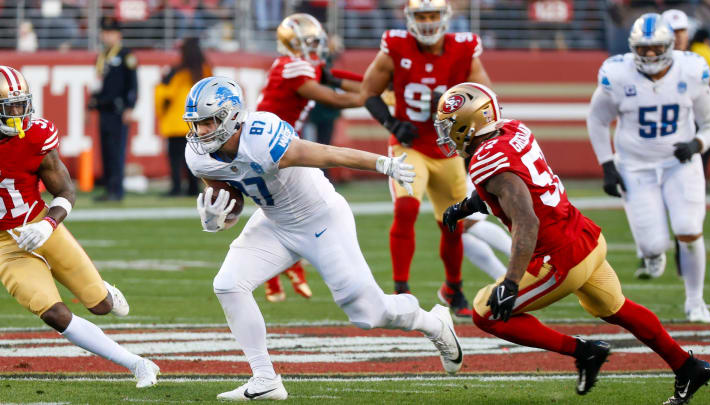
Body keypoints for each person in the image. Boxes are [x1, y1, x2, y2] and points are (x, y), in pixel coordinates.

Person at [183, 76, 462, 400]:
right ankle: (265, 379)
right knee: (228, 284)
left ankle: (433, 322)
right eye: (196, 123)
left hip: (320, 219)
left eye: (207, 122)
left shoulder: (261, 137)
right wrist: (218, 218)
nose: (201, 131)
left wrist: (382, 163)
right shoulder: (198, 155)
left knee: (368, 315)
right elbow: (232, 196)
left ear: (231, 116)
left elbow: (328, 154)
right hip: (274, 223)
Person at [438, 82, 710, 405]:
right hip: (585, 236)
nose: (446, 134)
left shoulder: (487, 161)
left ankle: (584, 352)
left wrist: (511, 282)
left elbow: (526, 217)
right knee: (617, 308)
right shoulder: (514, 129)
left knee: (485, 313)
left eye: (449, 126)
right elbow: (514, 186)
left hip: (559, 256)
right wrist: (467, 206)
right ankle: (687, 365)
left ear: (469, 124)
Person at [0, 65, 159, 388]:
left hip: (41, 225)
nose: (18, 114)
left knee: (100, 306)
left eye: (21, 104)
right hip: (5, 244)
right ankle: (139, 364)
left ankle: (106, 293)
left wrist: (47, 225)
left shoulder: (36, 135)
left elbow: (66, 191)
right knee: (54, 314)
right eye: (10, 107)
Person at [360, 0, 492, 317]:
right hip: (410, 145)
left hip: (447, 149)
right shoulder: (395, 45)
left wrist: (454, 101)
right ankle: (401, 290)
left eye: (434, 15)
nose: (429, 22)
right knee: (406, 208)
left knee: (453, 224)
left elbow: (485, 95)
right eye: (422, 16)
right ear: (410, 18)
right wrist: (391, 123)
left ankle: (453, 288)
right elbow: (368, 92)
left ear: (445, 18)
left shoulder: (464, 48)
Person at [586, 14, 710, 323]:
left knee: (688, 229)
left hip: (680, 164)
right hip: (635, 166)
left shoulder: (691, 70)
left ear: (669, 46)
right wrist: (607, 164)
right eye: (642, 48)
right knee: (652, 244)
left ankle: (695, 301)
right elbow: (597, 119)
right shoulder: (617, 74)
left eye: (655, 47)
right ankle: (653, 254)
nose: (648, 55)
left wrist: (696, 144)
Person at [256, 13, 363, 303]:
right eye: (310, 42)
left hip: (281, 140)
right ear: (293, 43)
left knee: (280, 206)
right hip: (269, 145)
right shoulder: (293, 66)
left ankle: (282, 271)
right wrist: (371, 97)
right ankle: (287, 266)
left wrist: (374, 86)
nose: (315, 47)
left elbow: (335, 78)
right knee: (304, 205)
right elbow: (333, 96)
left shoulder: (299, 64)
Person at [88, 17, 138, 202]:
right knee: (106, 150)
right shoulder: (102, 56)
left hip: (118, 110)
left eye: (110, 32)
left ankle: (117, 190)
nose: (106, 36)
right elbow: (98, 84)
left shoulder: (126, 55)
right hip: (103, 109)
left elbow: (133, 84)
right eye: (104, 32)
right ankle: (109, 188)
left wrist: (130, 107)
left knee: (117, 150)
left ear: (118, 35)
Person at [155, 37, 210, 197]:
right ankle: (194, 188)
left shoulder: (176, 72)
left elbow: (166, 95)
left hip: (176, 122)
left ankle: (176, 187)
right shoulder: (205, 71)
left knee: (175, 159)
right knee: (194, 158)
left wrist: (162, 111)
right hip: (196, 122)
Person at [690, 27, 710, 183]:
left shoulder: (692, 55)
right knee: (705, 145)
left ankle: (695, 178)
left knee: (696, 145)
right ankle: (700, 179)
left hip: (694, 108)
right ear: (707, 40)